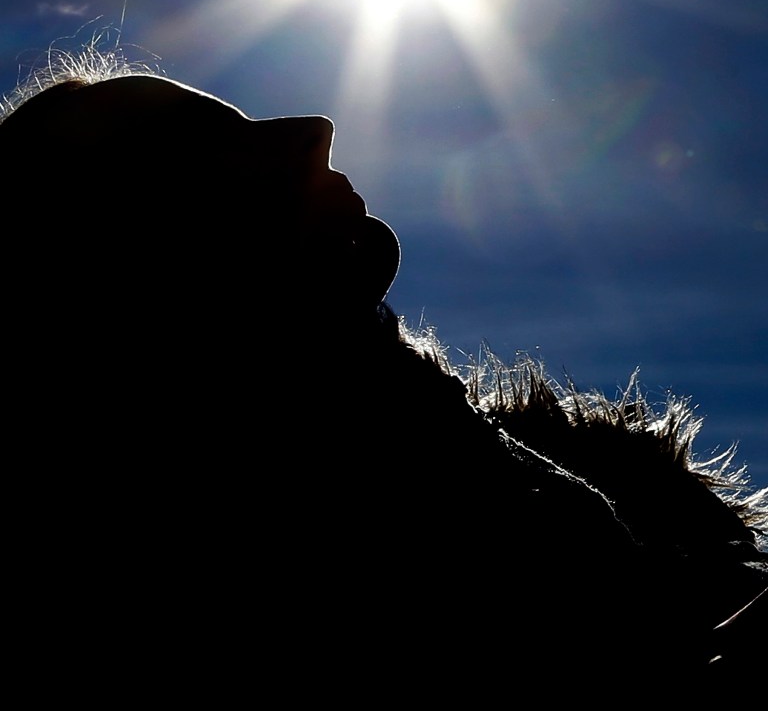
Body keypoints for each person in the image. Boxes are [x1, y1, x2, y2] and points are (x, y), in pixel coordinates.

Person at [3, 57, 765, 701]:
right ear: (121, 249)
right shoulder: (256, 516)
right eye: (213, 143)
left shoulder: (461, 437)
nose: (314, 130)